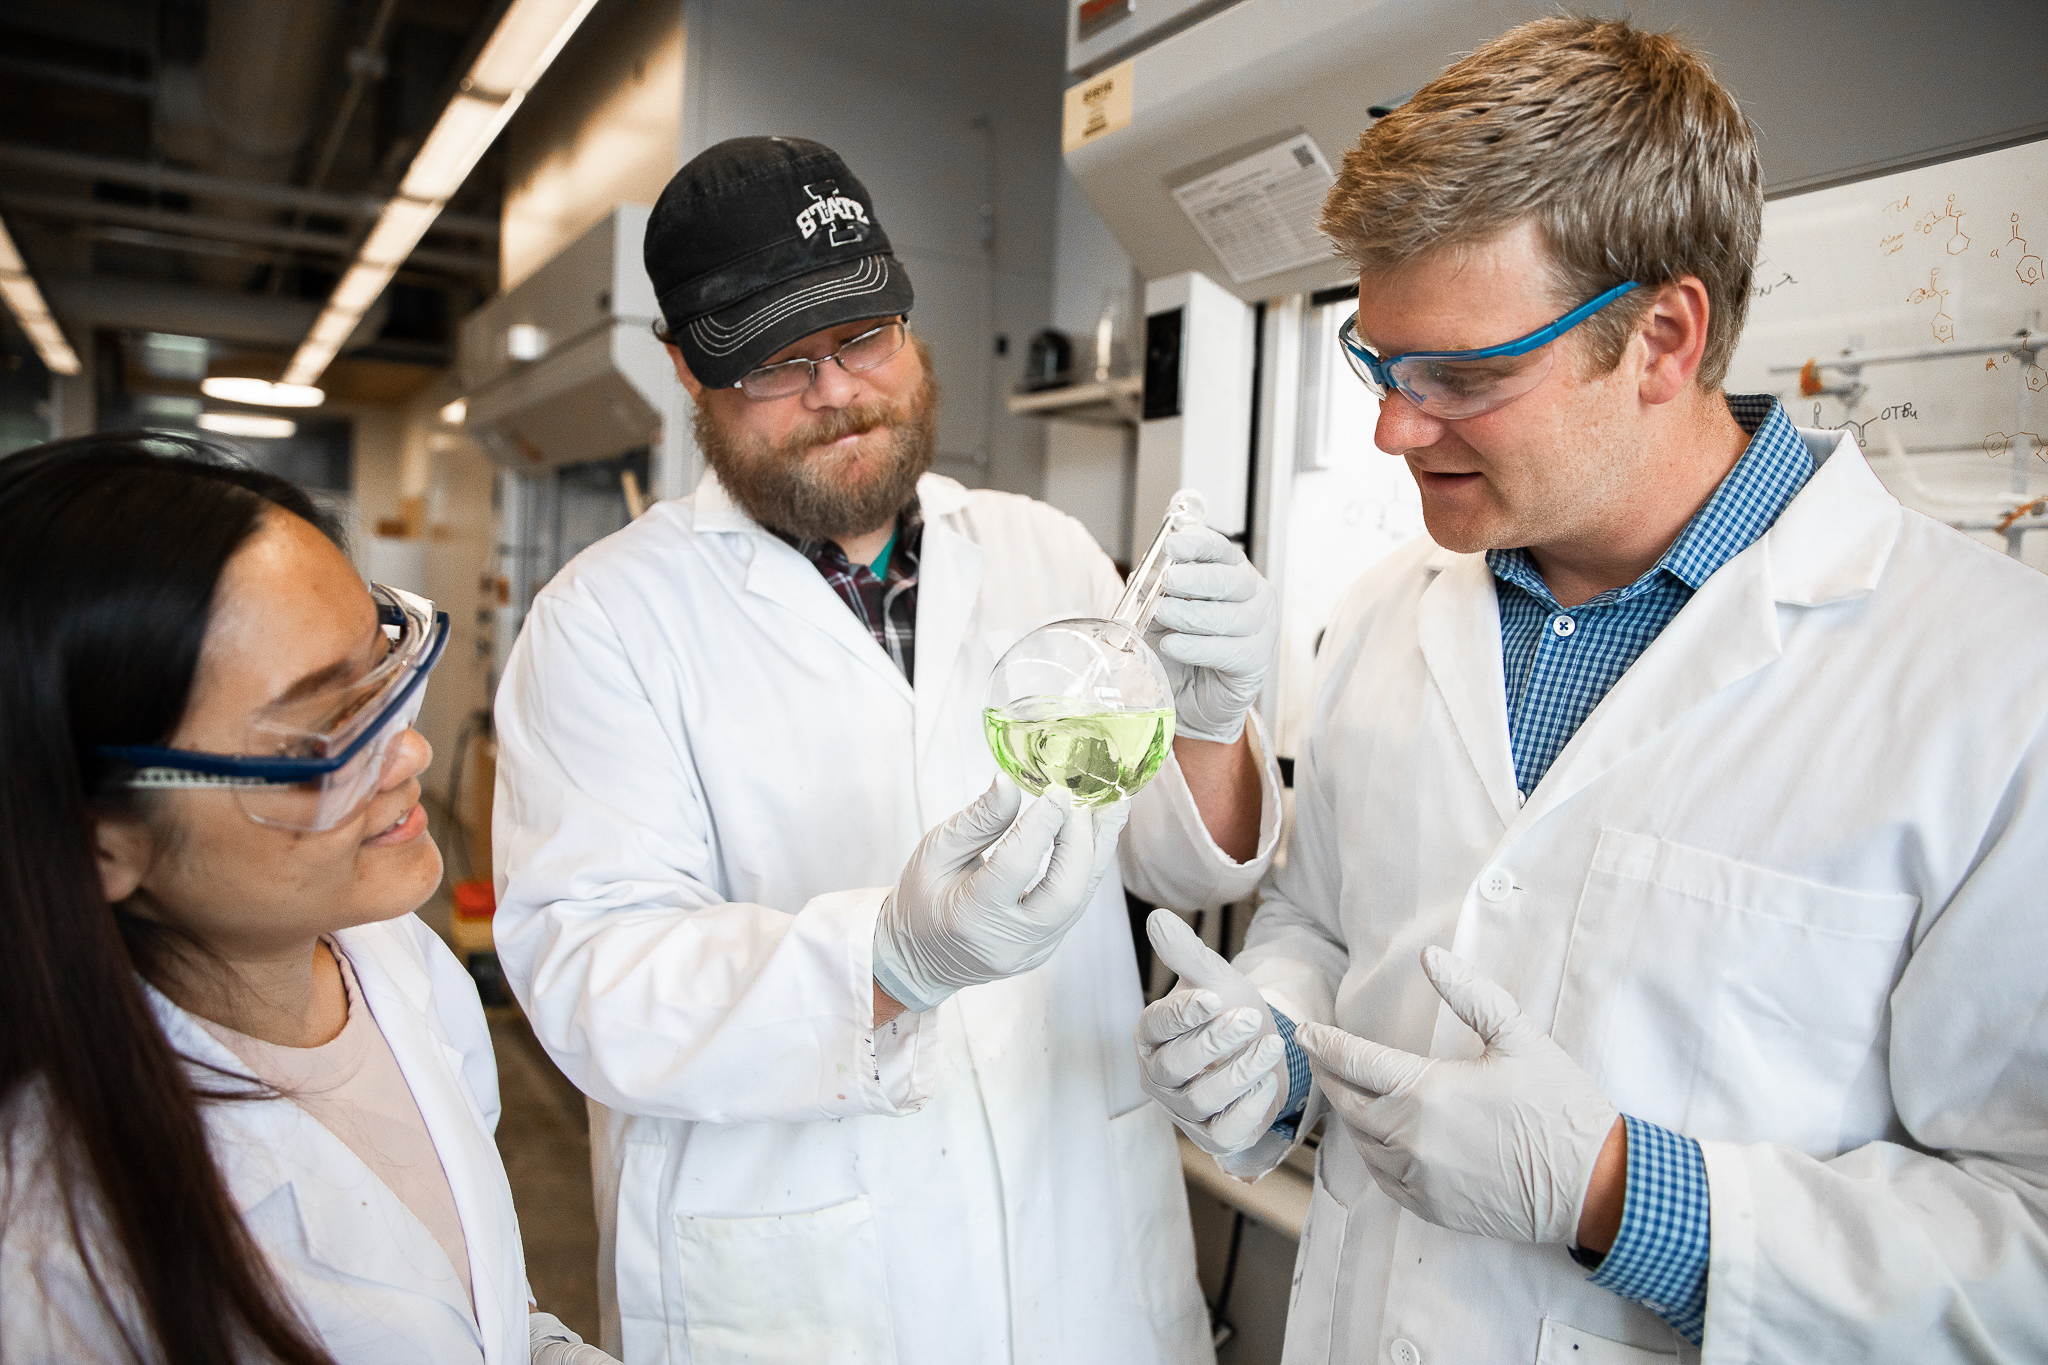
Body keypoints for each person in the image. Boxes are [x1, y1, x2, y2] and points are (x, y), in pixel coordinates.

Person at [1135, 16, 2048, 1364]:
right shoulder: (1391, 615)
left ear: (1666, 339)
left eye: (1463, 373)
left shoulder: (1989, 682)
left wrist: (1615, 1190)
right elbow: (1325, 922)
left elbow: (2025, 1243)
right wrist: (1275, 1040)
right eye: (1379, 363)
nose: (1395, 425)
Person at [491, 135, 1283, 1364]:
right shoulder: (604, 623)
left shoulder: (1044, 552)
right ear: (684, 373)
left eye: (862, 339)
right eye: (775, 363)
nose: (836, 390)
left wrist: (1214, 723)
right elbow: (593, 985)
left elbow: (1181, 866)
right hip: (805, 1286)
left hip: (1084, 1257)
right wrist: (889, 959)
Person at [0, 434, 613, 1365]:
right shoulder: (48, 1261)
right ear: (97, 838)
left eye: (380, 672)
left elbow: (465, 1281)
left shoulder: (396, 957)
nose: (409, 753)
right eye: (321, 732)